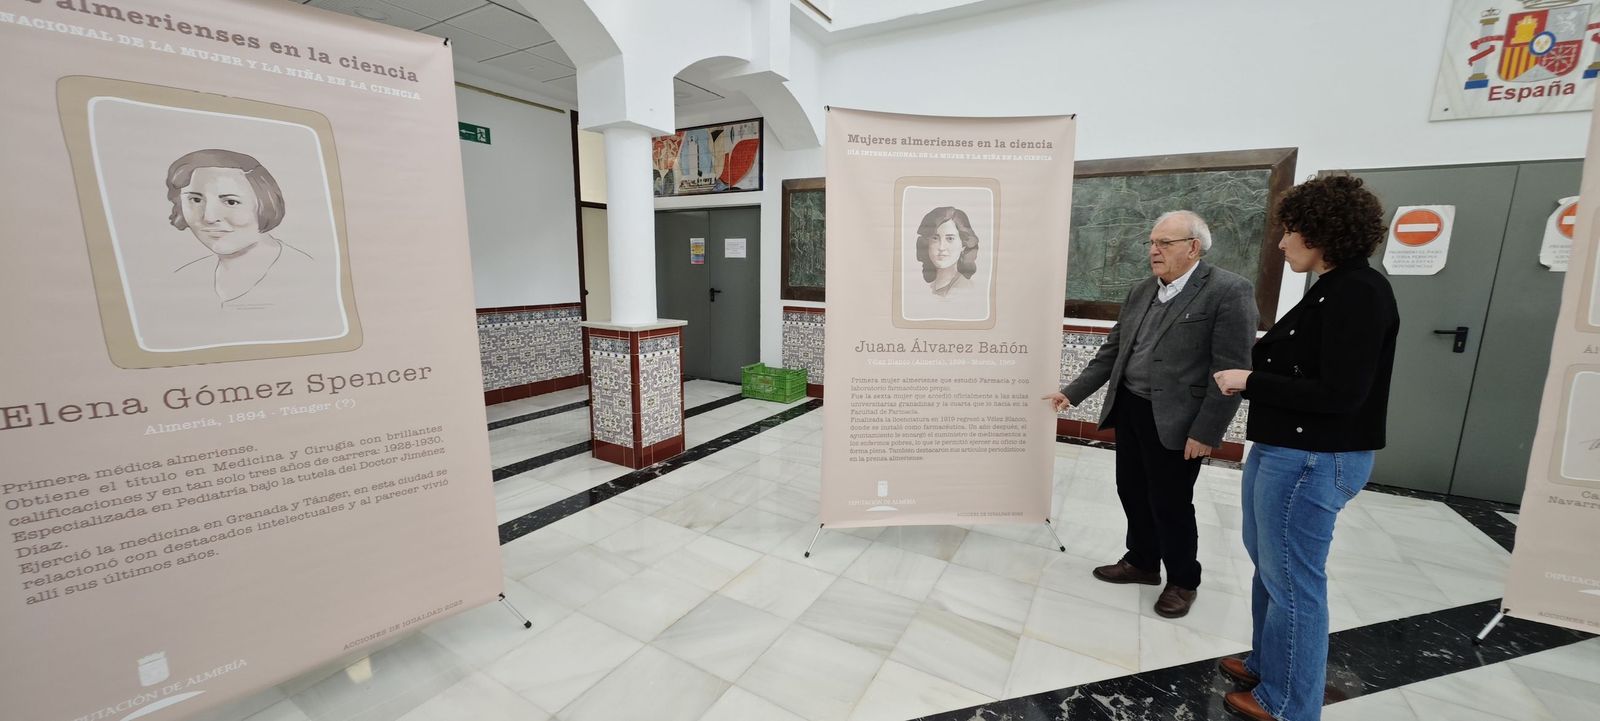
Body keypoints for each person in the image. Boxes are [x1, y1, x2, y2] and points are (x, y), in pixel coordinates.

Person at [1211, 175, 1398, 721]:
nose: (1280, 242)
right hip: (1284, 450)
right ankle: (1269, 665)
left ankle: (1290, 703)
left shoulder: (1360, 292)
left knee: (1294, 582)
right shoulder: (1331, 288)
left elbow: (1341, 393)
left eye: (1289, 230)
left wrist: (1251, 380)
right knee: (1271, 568)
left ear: (1320, 232)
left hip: (1313, 457)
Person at [1044, 210, 1258, 618]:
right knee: (1131, 489)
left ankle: (1183, 580)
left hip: (1180, 419)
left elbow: (1230, 370)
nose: (1153, 250)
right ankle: (1142, 561)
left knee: (1170, 502)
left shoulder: (1228, 291)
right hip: (1132, 408)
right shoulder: (1142, 290)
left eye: (1164, 243)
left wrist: (1206, 431)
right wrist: (1071, 393)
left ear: (1193, 247)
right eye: (1152, 243)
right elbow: (1113, 350)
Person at [165, 149, 314, 308]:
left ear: (265, 203)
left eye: (231, 202)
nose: (209, 217)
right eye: (195, 200)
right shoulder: (182, 279)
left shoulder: (308, 274)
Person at [915, 206, 979, 297]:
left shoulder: (967, 291)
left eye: (950, 239)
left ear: (963, 245)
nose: (941, 247)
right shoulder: (926, 290)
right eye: (935, 238)